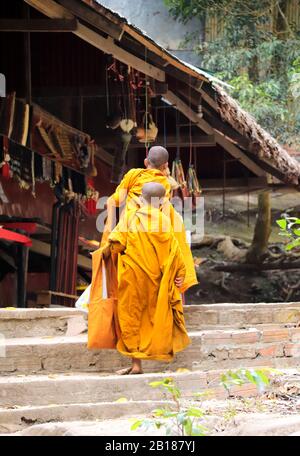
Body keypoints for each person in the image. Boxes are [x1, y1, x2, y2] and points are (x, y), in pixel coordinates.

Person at [102, 182, 190, 374]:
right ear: (161, 203)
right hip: (157, 279)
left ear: (141, 199)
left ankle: (136, 364)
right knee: (153, 317)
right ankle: (153, 354)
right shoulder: (166, 221)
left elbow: (116, 244)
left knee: (132, 317)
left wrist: (105, 253)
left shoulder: (131, 217)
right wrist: (180, 274)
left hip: (133, 278)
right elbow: (175, 251)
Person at [101, 145, 197, 293]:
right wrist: (179, 270)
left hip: (128, 237)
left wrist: (110, 231)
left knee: (123, 283)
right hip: (152, 242)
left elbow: (112, 202)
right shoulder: (163, 185)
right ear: (165, 167)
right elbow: (172, 238)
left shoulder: (133, 175)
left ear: (146, 162)